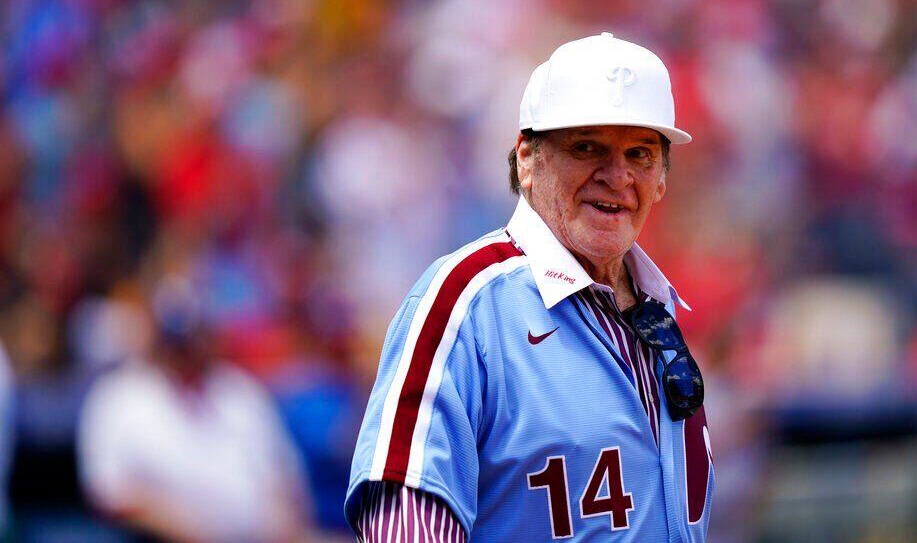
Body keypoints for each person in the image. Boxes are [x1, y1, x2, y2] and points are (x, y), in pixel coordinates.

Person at [346, 32, 714, 541]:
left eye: (640, 153)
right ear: (527, 157)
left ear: (662, 178)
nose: (617, 176)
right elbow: (402, 515)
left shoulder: (657, 310)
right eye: (587, 148)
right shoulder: (465, 300)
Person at [77, 277, 312, 543]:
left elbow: (285, 486)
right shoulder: (119, 395)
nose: (186, 349)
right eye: (177, 338)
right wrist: (196, 533)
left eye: (194, 335)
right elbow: (110, 493)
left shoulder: (240, 392)